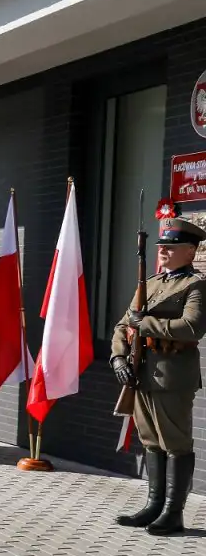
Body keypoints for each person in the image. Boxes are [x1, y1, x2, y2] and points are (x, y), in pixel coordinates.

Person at [112, 211, 206, 537]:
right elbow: (123, 325)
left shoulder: (195, 285)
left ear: (190, 251)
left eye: (171, 246)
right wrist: (118, 358)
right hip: (141, 372)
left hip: (172, 374)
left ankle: (173, 513)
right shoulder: (150, 283)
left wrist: (146, 323)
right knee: (151, 441)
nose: (163, 250)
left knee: (175, 443)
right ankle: (154, 505)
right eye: (162, 246)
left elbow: (192, 327)